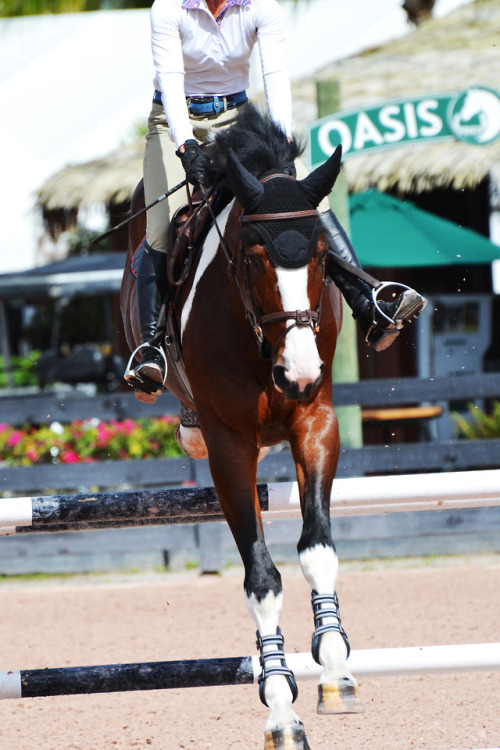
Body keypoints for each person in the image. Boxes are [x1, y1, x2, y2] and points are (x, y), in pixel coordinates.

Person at [124, 0, 426, 397]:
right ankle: (152, 347)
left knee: (306, 199)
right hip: (173, 121)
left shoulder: (262, 6)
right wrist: (185, 147)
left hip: (238, 116)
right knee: (162, 226)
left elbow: (275, 75)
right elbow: (172, 80)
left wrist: (282, 141)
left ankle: (366, 301)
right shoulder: (168, 8)